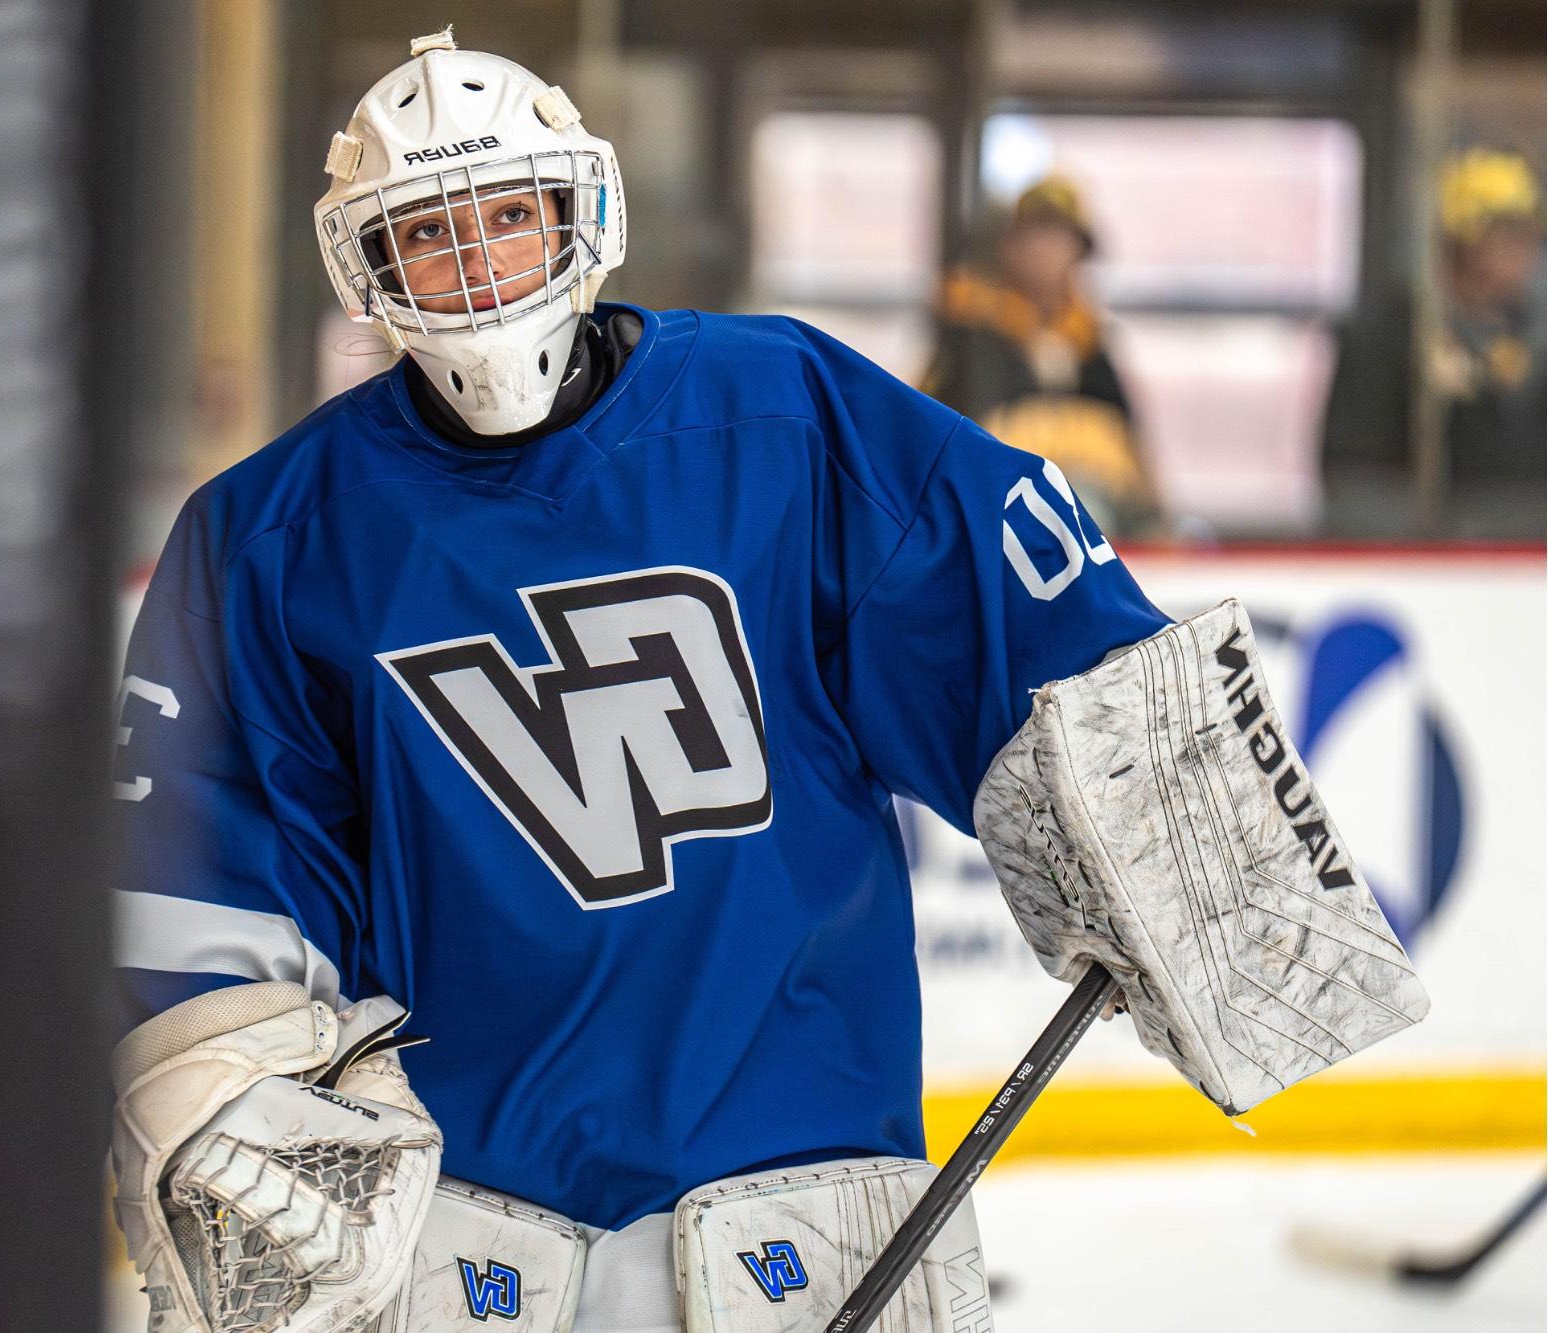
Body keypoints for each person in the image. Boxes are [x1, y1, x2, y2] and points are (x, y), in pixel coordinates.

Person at [105, 31, 1403, 1333]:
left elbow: (1000, 588)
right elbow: (200, 857)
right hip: (474, 1234)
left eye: (512, 214)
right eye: (434, 232)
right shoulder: (267, 540)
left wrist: (1150, 795)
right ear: (368, 268)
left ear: (584, 213)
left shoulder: (784, 412)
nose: (485, 262)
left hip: (812, 1201)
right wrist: (227, 1080)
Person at [920, 175, 1162, 537]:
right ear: (1008, 247)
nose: (1043, 250)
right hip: (994, 513)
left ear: (1078, 252)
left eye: (1058, 238)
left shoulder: (1088, 340)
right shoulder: (971, 333)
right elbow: (939, 435)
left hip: (1093, 513)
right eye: (1032, 236)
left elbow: (1132, 449)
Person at [1321, 146, 1545, 536]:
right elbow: (1353, 480)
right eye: (1509, 234)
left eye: (1529, 234)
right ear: (1462, 242)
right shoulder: (1390, 336)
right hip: (1428, 558)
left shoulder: (1531, 338)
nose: (1526, 251)